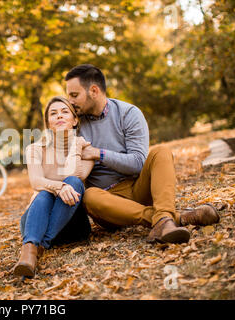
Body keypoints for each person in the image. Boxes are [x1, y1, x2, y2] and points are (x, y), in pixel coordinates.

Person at [64, 64, 220, 244]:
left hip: (139, 188)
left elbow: (138, 162)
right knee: (90, 196)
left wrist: (98, 153)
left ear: (94, 91)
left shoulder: (128, 114)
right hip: (107, 203)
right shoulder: (74, 124)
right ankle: (170, 219)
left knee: (161, 151)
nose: (70, 101)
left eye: (74, 95)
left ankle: (163, 219)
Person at [13, 96, 94, 278]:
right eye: (53, 113)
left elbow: (73, 175)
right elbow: (35, 181)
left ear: (75, 121)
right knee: (43, 193)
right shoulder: (35, 149)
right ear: (48, 123)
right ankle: (30, 252)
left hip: (72, 223)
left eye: (65, 112)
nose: (59, 116)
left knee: (73, 183)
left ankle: (39, 245)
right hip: (35, 221)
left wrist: (76, 147)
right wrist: (58, 187)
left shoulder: (86, 150)